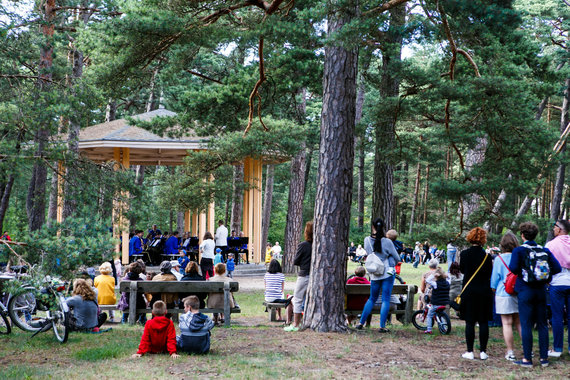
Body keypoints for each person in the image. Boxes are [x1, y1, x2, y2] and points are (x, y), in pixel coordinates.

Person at [509, 222, 561, 368]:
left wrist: (524, 272)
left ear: (522, 235)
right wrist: (544, 277)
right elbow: (556, 268)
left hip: (525, 291)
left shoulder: (519, 251)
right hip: (541, 291)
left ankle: (527, 359)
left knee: (526, 324)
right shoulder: (544, 250)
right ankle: (544, 358)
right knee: (543, 324)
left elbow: (513, 268)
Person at [355, 218, 401, 333]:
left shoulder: (367, 240)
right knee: (385, 299)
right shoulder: (388, 242)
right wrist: (390, 259)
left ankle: (361, 323)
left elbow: (370, 254)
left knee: (372, 298)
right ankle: (382, 326)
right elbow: (397, 258)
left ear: (373, 227)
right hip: (387, 274)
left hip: (374, 273)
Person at [459, 227, 493, 361]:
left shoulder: (464, 254)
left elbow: (462, 270)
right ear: (483, 239)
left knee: (470, 322)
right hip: (484, 291)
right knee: (483, 321)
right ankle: (483, 351)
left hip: (469, 291)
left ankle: (469, 351)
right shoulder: (487, 256)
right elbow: (489, 273)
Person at [490, 232, 522, 361]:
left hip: (503, 293)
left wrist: (494, 290)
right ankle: (528, 350)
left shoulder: (499, 259)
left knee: (507, 323)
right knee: (520, 323)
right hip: (519, 292)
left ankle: (510, 351)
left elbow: (494, 280)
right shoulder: (519, 257)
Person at [545, 219, 570, 358]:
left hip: (557, 282)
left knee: (557, 316)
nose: (553, 229)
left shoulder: (551, 245)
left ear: (559, 229)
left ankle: (558, 348)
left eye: (555, 227)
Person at [284, 221, 313, 332]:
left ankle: (296, 324)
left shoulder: (303, 245)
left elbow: (296, 261)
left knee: (297, 299)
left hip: (304, 275)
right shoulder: (318, 245)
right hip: (314, 275)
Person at [424, 267, 450, 334]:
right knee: (441, 314)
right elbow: (450, 279)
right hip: (444, 303)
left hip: (436, 303)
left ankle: (429, 329)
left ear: (437, 276)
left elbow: (427, 280)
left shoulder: (436, 284)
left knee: (429, 315)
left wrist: (433, 275)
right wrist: (447, 275)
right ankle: (444, 327)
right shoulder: (447, 283)